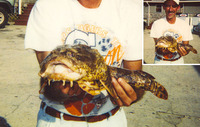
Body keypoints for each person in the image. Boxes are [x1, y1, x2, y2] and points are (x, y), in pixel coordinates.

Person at [24, 0, 143, 126]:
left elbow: (136, 77)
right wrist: (57, 89)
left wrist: (132, 93)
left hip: (110, 120)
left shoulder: (130, 9)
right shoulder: (47, 5)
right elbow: (47, 74)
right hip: (57, 120)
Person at [150, 0, 193, 64]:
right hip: (160, 61)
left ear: (178, 8)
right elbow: (157, 47)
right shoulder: (157, 24)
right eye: (168, 6)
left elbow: (185, 45)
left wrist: (185, 51)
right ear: (164, 7)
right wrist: (162, 49)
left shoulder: (184, 25)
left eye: (174, 6)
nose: (170, 9)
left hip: (178, 61)